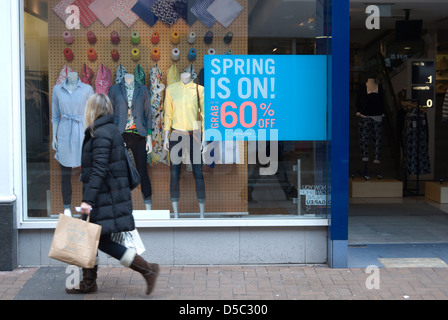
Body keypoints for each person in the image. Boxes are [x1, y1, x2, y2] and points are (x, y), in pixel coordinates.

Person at [66, 94, 159, 295]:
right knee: (90, 239)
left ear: (92, 110)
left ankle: (148, 269)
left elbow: (99, 169)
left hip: (103, 198)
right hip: (107, 196)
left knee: (101, 241)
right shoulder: (109, 130)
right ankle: (89, 283)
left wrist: (87, 201)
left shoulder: (100, 134)